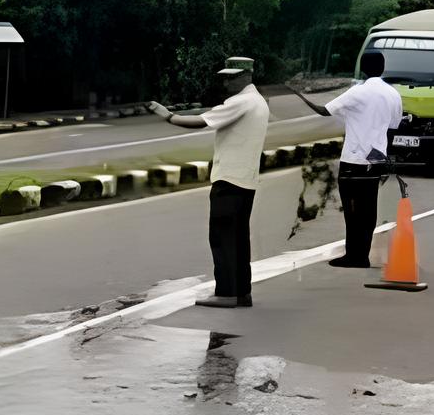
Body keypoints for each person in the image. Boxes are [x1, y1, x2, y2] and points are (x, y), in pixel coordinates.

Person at [150, 64, 270, 309]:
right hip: (245, 181)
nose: (225, 84)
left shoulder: (242, 101)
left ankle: (226, 293)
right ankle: (241, 293)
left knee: (222, 238)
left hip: (229, 180)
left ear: (244, 76)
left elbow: (200, 121)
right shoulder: (258, 101)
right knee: (238, 239)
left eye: (229, 79)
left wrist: (168, 116)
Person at [288, 52, 403, 269]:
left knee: (352, 210)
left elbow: (325, 110)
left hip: (354, 159)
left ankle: (354, 256)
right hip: (376, 159)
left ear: (363, 68)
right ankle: (363, 254)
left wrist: (300, 98)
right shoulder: (393, 94)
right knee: (369, 208)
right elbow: (393, 127)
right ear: (383, 67)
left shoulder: (358, 92)